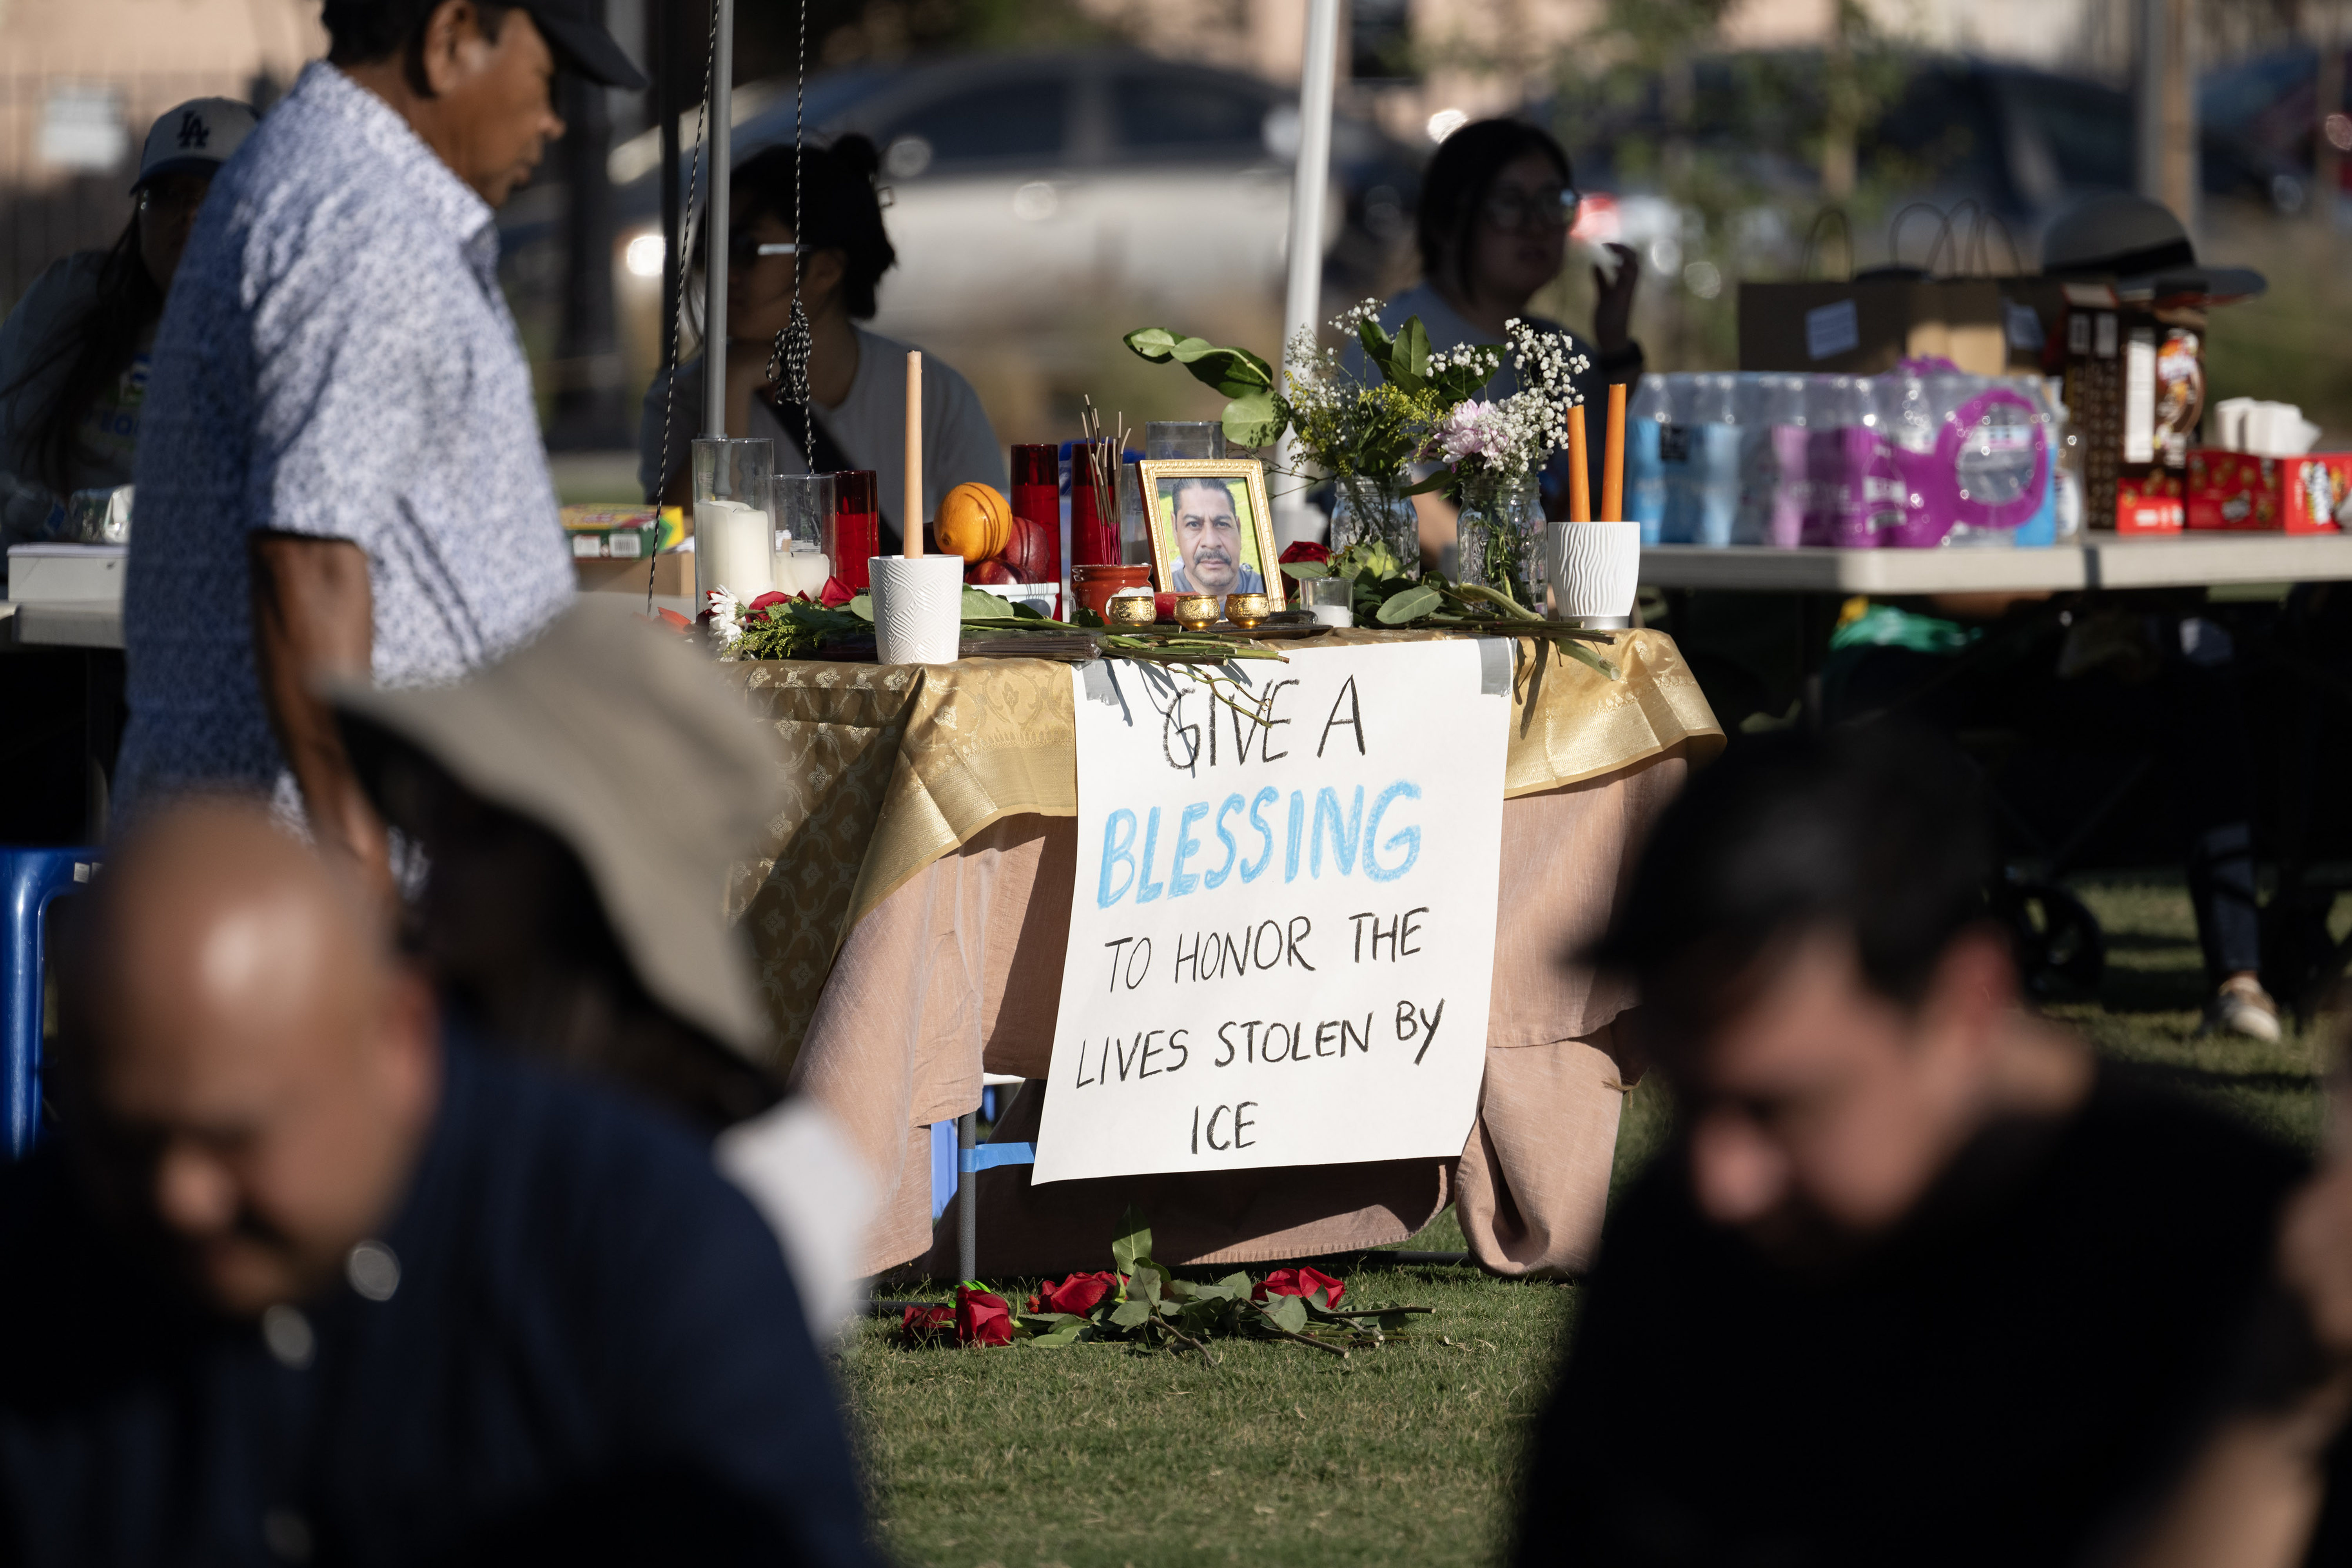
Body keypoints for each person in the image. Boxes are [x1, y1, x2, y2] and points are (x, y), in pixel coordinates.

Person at [0, 798, 873, 1564]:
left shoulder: (644, 1252)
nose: (180, 1196)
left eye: (236, 1136)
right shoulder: (37, 1267)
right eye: (124, 1140)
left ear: (399, 1036)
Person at [1515, 726, 2308, 1568]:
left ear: (1970, 1002)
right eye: (1690, 1100)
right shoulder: (1682, 1245)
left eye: (1782, 1107)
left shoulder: (2241, 1266)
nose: (1721, 1179)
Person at [114, 0, 646, 899]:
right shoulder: (358, 220)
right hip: (308, 897)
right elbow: (309, 560)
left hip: (285, 877)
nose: (555, 121)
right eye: (547, 79)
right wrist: (360, 876)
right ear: (447, 40)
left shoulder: (335, 188)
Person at [327, 600, 878, 1336]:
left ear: (581, 870)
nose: (432, 866)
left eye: (476, 824)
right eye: (427, 813)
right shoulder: (421, 1078)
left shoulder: (753, 1198)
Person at [639, 138, 1005, 550]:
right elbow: (670, 552)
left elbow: (993, 542)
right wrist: (732, 390)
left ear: (827, 268)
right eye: (710, 251)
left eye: (745, 249)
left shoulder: (932, 392)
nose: (724, 274)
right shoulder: (683, 397)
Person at [1345, 118, 1642, 562]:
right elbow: (1397, 495)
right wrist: (1512, 588)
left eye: (1552, 203)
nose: (1536, 225)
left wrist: (1616, 345)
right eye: (1509, 203)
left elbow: (1622, 481)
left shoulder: (1563, 353)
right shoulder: (1397, 342)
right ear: (1449, 220)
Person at [0, 98, 255, 563]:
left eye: (217, 194)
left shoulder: (293, 338)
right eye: (170, 195)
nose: (190, 215)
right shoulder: (71, 301)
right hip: (48, 602)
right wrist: (45, 526)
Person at [1164, 475, 1264, 595]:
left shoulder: (1268, 592)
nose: (1211, 542)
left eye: (1222, 524)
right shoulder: (1157, 595)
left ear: (1239, 530)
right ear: (1175, 530)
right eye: (1194, 524)